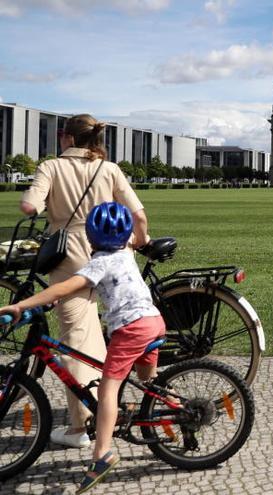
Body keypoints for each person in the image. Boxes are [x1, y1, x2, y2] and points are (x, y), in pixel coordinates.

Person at [0, 202, 165, 493]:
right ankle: (168, 414)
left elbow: (67, 286)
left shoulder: (99, 262)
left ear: (89, 237)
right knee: (147, 382)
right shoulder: (126, 252)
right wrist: (51, 302)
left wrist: (22, 304)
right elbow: (82, 288)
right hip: (152, 320)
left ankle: (102, 454)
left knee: (107, 390)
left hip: (130, 328)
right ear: (126, 236)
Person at [20, 114, 150, 448]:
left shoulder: (51, 167)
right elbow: (138, 214)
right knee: (121, 324)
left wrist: (37, 205)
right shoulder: (109, 168)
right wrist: (140, 239)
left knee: (76, 338)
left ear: (66, 137)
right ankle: (133, 395)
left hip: (69, 258)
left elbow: (29, 205)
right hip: (110, 254)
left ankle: (81, 426)